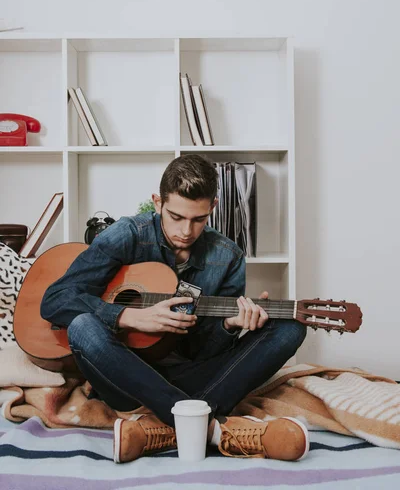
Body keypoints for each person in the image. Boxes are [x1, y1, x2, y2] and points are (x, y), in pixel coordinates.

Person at [40, 154, 308, 462]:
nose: (186, 231)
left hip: (190, 375)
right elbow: (55, 299)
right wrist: (129, 316)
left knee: (290, 327)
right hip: (125, 375)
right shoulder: (127, 235)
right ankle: (210, 428)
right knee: (82, 327)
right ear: (157, 202)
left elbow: (203, 352)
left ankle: (161, 426)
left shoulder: (228, 256)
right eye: (176, 217)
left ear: (213, 207)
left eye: (198, 220)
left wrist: (229, 326)